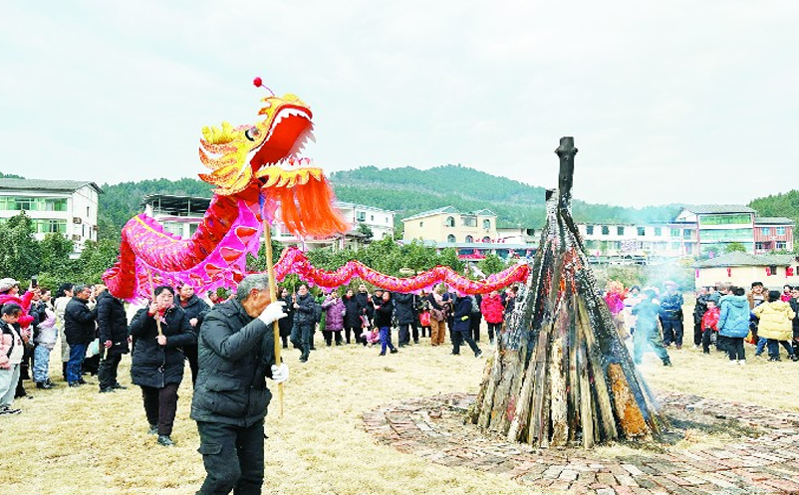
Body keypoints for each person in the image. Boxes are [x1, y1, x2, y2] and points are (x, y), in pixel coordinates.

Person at [191, 274, 288, 495]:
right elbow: (229, 349)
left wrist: (277, 368)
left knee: (252, 478)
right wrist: (262, 321)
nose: (275, 303)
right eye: (271, 297)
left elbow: (265, 359)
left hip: (251, 413)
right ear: (255, 294)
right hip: (217, 412)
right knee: (223, 477)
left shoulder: (266, 320)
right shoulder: (217, 318)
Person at [129, 285, 196, 446]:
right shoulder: (142, 312)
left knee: (168, 396)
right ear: (155, 298)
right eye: (163, 296)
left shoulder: (179, 314)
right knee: (150, 396)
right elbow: (134, 330)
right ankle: (153, 422)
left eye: (170, 296)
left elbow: (189, 335)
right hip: (147, 362)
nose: (166, 299)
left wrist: (169, 340)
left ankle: (164, 433)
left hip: (171, 363)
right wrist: (149, 314)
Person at [96, 283, 129, 393]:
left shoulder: (116, 300)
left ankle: (112, 381)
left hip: (118, 335)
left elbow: (121, 320)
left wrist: (126, 334)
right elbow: (103, 321)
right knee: (107, 361)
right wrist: (106, 338)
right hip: (109, 336)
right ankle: (104, 385)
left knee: (116, 359)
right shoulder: (105, 301)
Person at [176, 284, 210, 386]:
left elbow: (208, 311)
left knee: (196, 366)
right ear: (179, 290)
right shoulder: (173, 302)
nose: (189, 291)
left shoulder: (198, 301)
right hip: (176, 339)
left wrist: (198, 318)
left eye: (191, 289)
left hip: (193, 340)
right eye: (186, 289)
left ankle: (197, 388)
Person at [63, 284, 97, 387]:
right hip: (77, 336)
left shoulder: (80, 304)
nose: (89, 294)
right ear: (78, 293)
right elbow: (83, 318)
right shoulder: (75, 305)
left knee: (80, 358)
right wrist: (96, 311)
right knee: (75, 358)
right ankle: (72, 380)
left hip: (82, 336)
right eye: (86, 292)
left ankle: (78, 378)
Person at [752, 290, 798, 362]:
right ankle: (792, 354)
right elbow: (791, 316)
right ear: (779, 297)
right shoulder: (785, 305)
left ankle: (775, 357)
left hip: (769, 327)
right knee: (784, 341)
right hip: (782, 327)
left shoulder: (766, 304)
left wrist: (762, 316)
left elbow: (755, 311)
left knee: (772, 341)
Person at [631, 290, 672, 366]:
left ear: (646, 296)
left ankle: (637, 361)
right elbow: (663, 312)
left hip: (641, 328)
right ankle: (666, 361)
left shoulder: (640, 305)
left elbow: (633, 312)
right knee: (658, 345)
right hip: (652, 327)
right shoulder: (655, 305)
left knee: (638, 344)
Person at [0, 304, 25, 415]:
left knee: (11, 385)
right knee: (3, 385)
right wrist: (3, 359)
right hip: (5, 362)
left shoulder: (11, 326)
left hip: (15, 360)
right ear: (5, 315)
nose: (16, 319)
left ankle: (5, 406)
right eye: (14, 317)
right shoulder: (2, 327)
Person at [32, 288, 58, 389]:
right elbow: (52, 318)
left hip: (46, 345)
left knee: (44, 363)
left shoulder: (44, 308)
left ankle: (45, 378)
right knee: (40, 363)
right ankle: (40, 380)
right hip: (42, 344)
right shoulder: (43, 325)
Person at [717, 287, 750, 365]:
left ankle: (733, 359)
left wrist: (719, 325)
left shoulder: (726, 302)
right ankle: (742, 359)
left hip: (730, 326)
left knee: (730, 344)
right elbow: (748, 314)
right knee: (740, 343)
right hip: (742, 326)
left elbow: (723, 316)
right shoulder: (746, 302)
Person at [54, 283, 74, 381]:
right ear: (66, 292)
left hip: (69, 327)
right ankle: (66, 372)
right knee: (67, 350)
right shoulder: (62, 301)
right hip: (67, 327)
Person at [290, 284, 315, 363]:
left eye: (303, 289)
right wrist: (292, 302)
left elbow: (310, 309)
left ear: (307, 290)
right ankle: (304, 350)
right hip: (296, 321)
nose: (302, 290)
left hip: (306, 322)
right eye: (300, 289)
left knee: (305, 340)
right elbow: (291, 308)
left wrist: (299, 307)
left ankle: (305, 357)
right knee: (293, 338)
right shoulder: (296, 297)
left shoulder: (310, 298)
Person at [659, 281, 684, 348]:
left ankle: (678, 343)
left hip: (676, 315)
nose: (669, 287)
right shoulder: (662, 295)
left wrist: (670, 306)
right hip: (666, 315)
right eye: (668, 285)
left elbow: (679, 303)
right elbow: (662, 304)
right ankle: (666, 342)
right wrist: (670, 306)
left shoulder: (678, 295)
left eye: (671, 285)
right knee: (666, 330)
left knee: (678, 330)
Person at [373, 291, 398, 356]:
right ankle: (392, 348)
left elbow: (387, 310)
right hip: (379, 323)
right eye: (384, 295)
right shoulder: (381, 302)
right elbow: (375, 300)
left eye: (386, 295)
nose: (384, 296)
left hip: (385, 323)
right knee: (386, 338)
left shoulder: (390, 304)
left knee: (383, 338)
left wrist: (379, 308)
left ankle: (383, 351)